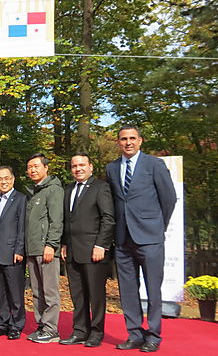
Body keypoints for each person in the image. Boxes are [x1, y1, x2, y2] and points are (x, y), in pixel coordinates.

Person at [106, 125, 175, 353]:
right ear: (118, 142)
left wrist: (157, 226)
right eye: (124, 139)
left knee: (153, 289)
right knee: (127, 290)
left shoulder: (155, 165)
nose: (128, 142)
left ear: (140, 141)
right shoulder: (112, 168)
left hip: (150, 238)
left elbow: (169, 199)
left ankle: (154, 335)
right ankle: (134, 333)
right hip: (123, 239)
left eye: (132, 138)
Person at [60, 153, 115, 347]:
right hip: (73, 251)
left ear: (90, 167)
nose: (78, 169)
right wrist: (65, 243)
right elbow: (68, 221)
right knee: (78, 294)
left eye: (82, 165)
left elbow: (108, 218)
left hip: (94, 251)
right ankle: (80, 330)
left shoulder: (101, 187)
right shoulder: (68, 190)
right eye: (74, 166)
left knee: (96, 294)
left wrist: (102, 245)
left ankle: (96, 332)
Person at [25, 152, 64, 344]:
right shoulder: (36, 191)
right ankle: (42, 326)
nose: (32, 170)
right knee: (37, 291)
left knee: (49, 291)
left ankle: (51, 329)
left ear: (46, 168)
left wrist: (51, 244)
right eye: (30, 167)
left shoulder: (54, 189)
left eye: (36, 166)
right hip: (33, 249)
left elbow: (56, 220)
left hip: (46, 249)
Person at [0, 166, 27, 340]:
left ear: (13, 179)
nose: (3, 182)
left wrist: (19, 249)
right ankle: (2, 323)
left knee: (15, 292)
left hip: (12, 253)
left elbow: (22, 227)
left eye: (6, 178)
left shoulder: (21, 199)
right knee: (0, 291)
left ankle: (16, 325)